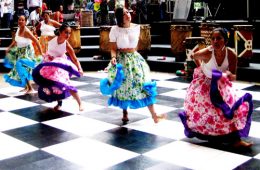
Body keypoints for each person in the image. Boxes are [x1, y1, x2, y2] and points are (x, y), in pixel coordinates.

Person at [179, 27, 254, 147]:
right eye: (213, 39)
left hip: (222, 86)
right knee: (208, 113)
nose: (215, 41)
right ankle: (213, 137)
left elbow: (234, 76)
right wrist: (201, 69)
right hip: (206, 86)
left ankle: (236, 140)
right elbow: (194, 56)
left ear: (225, 40)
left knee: (231, 111)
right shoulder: (207, 52)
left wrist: (229, 75)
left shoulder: (231, 54)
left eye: (218, 38)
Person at [100, 7, 165, 123]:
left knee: (143, 85)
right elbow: (113, 48)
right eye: (124, 14)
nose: (128, 14)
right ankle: (125, 112)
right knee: (123, 87)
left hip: (134, 59)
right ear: (120, 18)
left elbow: (136, 46)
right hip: (121, 60)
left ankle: (154, 115)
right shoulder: (115, 30)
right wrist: (113, 58)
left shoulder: (136, 28)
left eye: (128, 12)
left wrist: (135, 57)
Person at [32, 23, 84, 111]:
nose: (68, 35)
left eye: (69, 33)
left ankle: (80, 103)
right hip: (49, 63)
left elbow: (75, 59)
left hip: (60, 65)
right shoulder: (51, 38)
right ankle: (59, 103)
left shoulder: (67, 45)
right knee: (52, 85)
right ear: (60, 32)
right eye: (66, 32)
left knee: (65, 84)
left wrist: (79, 68)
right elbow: (43, 42)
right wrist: (44, 54)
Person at [4, 15, 43, 94]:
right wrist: (9, 48)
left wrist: (41, 53)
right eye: (19, 20)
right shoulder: (18, 29)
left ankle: (30, 88)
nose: (20, 21)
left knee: (23, 68)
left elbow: (36, 41)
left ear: (25, 22)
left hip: (27, 51)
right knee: (19, 69)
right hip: (20, 51)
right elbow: (15, 40)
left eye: (22, 20)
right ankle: (26, 87)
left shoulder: (27, 31)